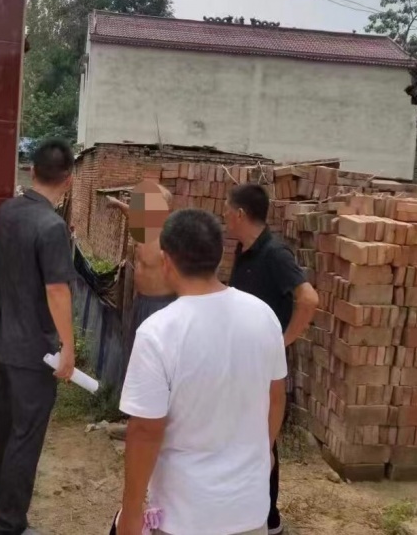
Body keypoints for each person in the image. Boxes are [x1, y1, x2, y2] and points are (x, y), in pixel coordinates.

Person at [117, 208, 288, 535]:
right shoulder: (263, 316)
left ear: (166, 260)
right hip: (249, 510)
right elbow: (276, 398)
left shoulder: (158, 332)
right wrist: (261, 453)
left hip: (185, 515)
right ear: (220, 255)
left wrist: (132, 510)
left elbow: (145, 430)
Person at [0, 138, 77, 535]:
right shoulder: (52, 227)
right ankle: (9, 524)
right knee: (25, 435)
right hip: (33, 351)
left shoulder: (6, 211)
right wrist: (68, 348)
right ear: (69, 180)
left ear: (32, 171)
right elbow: (57, 291)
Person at [225, 184, 319, 535]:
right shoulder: (244, 250)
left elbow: (309, 299)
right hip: (241, 361)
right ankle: (246, 506)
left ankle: (270, 516)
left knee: (265, 434)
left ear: (240, 214)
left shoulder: (275, 253)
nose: (224, 217)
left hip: (265, 367)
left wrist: (282, 342)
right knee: (243, 431)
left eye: (227, 211)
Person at [106, 181, 175, 380]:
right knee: (135, 355)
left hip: (160, 306)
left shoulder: (170, 238)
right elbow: (131, 213)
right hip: (141, 302)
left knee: (152, 361)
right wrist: (117, 204)